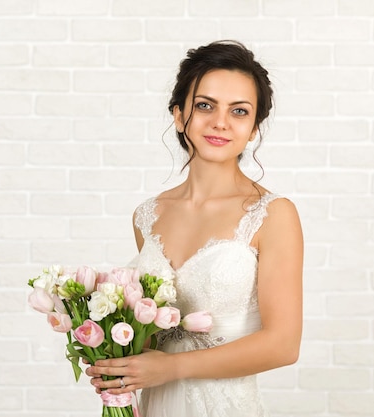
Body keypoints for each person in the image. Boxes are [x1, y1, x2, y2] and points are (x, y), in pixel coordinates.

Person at [85, 40, 304, 416]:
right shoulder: (147, 215)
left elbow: (283, 345)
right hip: (157, 405)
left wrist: (172, 368)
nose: (220, 122)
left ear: (253, 129)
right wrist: (115, 359)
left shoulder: (273, 214)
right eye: (205, 105)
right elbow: (151, 335)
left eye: (239, 111)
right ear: (178, 114)